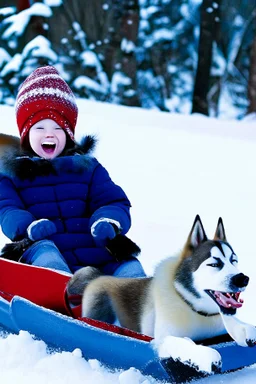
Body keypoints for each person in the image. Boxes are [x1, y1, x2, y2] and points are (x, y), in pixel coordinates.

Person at [0, 66, 146, 279]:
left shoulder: (87, 168)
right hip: (38, 247)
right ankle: (57, 295)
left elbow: (114, 201)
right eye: (39, 128)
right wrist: (28, 227)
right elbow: (7, 210)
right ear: (26, 133)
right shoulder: (12, 174)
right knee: (47, 256)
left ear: (68, 133)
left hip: (95, 250)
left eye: (58, 128)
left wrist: (108, 221)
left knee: (127, 264)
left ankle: (137, 300)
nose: (49, 134)